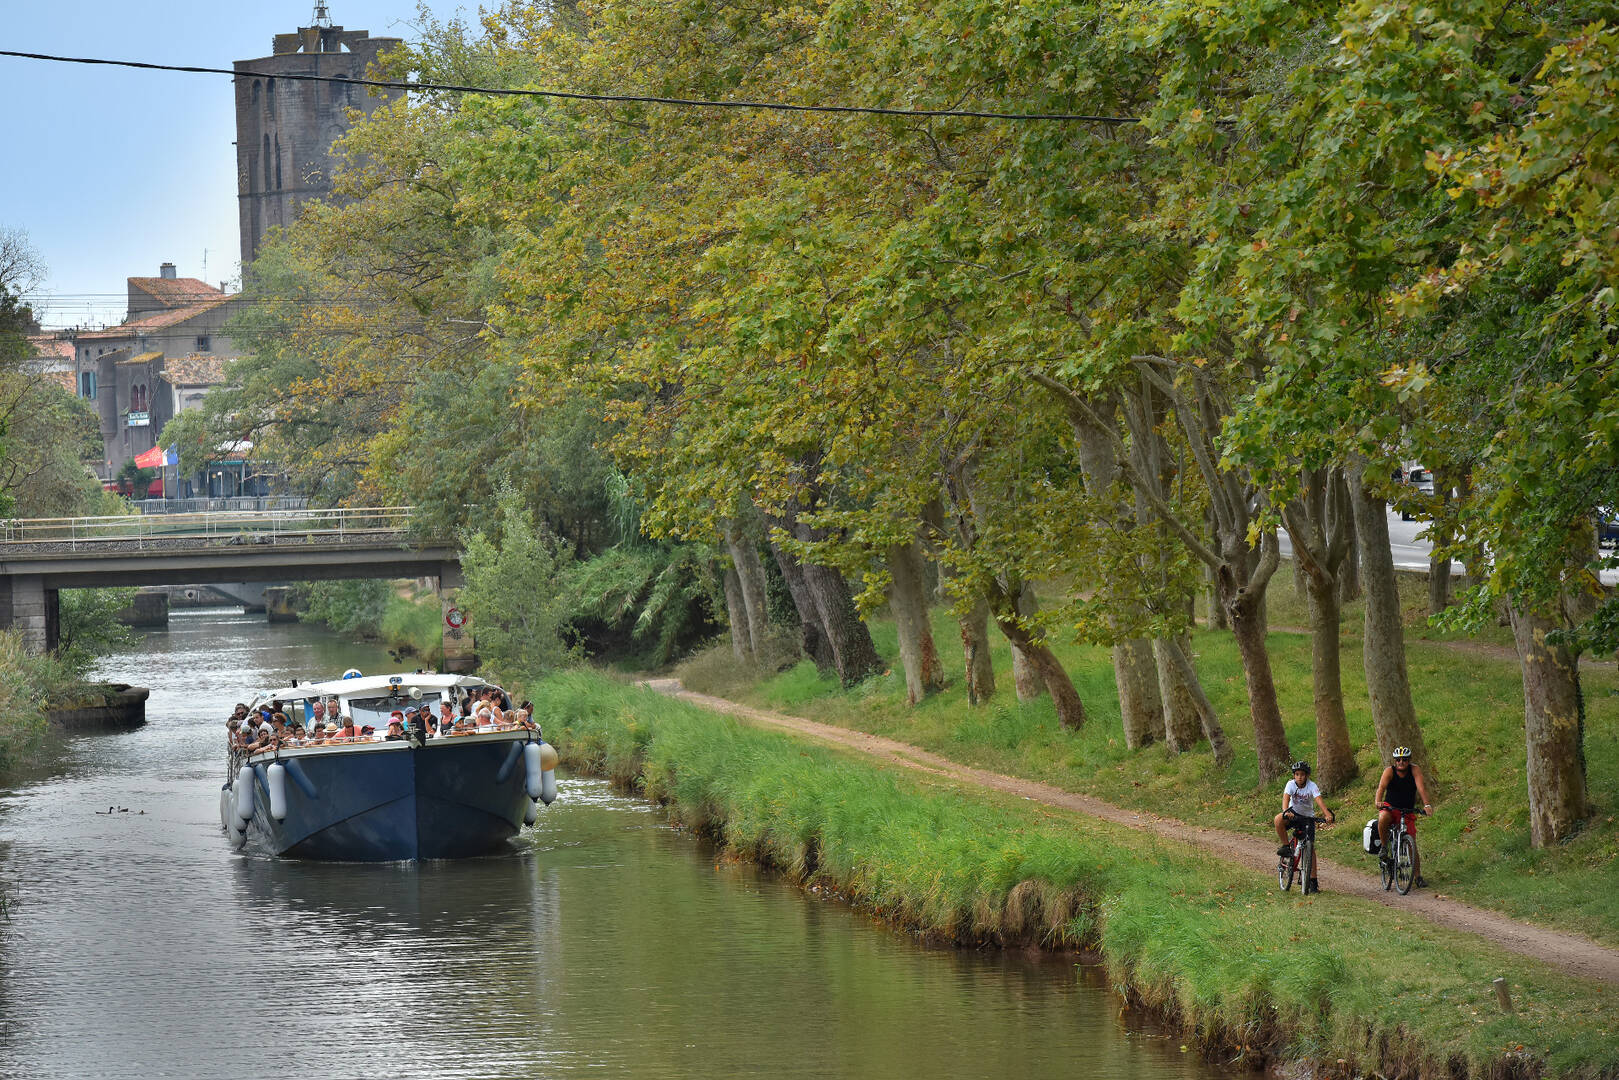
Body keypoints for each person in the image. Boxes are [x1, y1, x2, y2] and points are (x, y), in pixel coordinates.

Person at [1374, 746, 1433, 887]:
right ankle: (1383, 846)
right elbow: (1381, 788)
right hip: (1390, 807)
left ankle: (1418, 876)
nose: (1401, 762)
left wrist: (1427, 805)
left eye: (1405, 759)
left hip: (1407, 811)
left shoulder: (1414, 770)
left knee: (1412, 842)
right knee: (1382, 819)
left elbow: (1421, 788)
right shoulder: (1389, 771)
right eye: (1398, 759)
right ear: (1394, 761)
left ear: (1409, 760)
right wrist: (1378, 801)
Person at [1273, 760, 1334, 894]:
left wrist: (1327, 814)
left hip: (1308, 817)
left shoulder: (1312, 786)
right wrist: (1285, 811)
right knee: (1278, 820)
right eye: (1297, 774)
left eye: (1302, 774)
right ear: (1294, 775)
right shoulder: (1290, 784)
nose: (1300, 777)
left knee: (1310, 848)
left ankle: (1313, 882)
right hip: (1293, 814)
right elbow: (1285, 798)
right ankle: (1285, 847)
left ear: (1307, 776)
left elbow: (1318, 800)